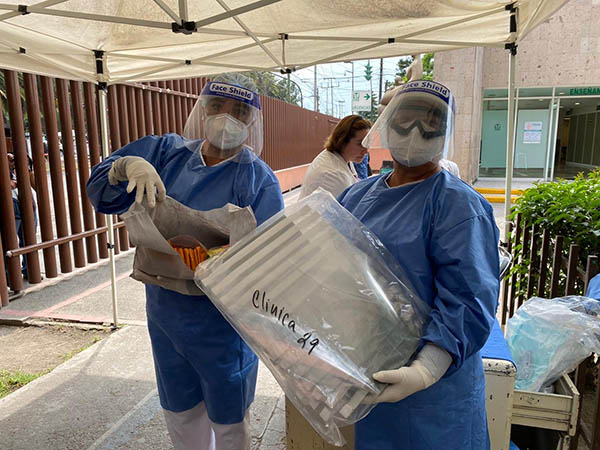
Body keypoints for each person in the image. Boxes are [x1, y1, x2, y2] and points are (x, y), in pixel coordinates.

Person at [86, 73, 284, 450]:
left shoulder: (258, 179)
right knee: (181, 414)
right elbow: (102, 194)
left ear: (252, 121)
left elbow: (268, 260)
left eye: (239, 111)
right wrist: (124, 167)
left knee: (229, 420)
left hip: (222, 322)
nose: (226, 118)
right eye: (217, 106)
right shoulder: (166, 154)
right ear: (202, 109)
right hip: (166, 314)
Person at [337, 80, 500, 449]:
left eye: (431, 123)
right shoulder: (356, 196)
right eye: (405, 119)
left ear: (446, 134)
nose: (415, 131)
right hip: (372, 371)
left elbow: (469, 300)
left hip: (438, 395)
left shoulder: (459, 206)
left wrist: (426, 369)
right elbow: (333, 274)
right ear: (387, 124)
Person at [298, 115, 371, 199]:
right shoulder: (333, 174)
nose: (366, 151)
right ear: (343, 141)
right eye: (360, 144)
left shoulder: (343, 158)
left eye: (367, 143)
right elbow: (352, 203)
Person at [3, 127, 38, 281]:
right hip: (10, 203)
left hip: (26, 201)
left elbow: (33, 183)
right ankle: (9, 277)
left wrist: (22, 166)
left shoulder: (21, 157)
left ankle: (29, 270)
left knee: (29, 238)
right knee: (9, 243)